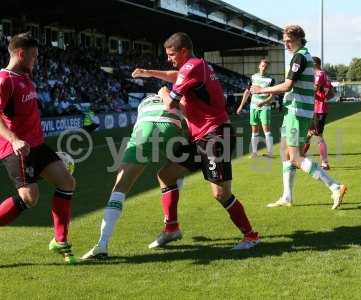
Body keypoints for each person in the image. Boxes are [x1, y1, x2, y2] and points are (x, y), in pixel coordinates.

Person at [132, 32, 260, 250]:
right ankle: (171, 228)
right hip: (202, 136)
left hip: (215, 136)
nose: (169, 58)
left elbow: (170, 104)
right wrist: (149, 73)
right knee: (166, 175)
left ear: (183, 51)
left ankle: (251, 236)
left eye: (172, 54)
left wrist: (162, 92)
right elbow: (175, 75)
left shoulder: (192, 67)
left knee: (220, 194)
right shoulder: (197, 66)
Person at [250, 25, 347, 209]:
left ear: (299, 39)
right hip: (294, 111)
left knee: (295, 157)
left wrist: (261, 90)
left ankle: (335, 187)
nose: (286, 44)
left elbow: (287, 86)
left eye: (289, 40)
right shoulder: (304, 56)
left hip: (297, 111)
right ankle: (287, 196)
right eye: (284, 41)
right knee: (285, 153)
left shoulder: (300, 57)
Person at [0, 33, 77, 264]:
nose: (36, 60)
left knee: (67, 183)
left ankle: (60, 241)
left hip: (38, 145)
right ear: (20, 54)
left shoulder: (27, 77)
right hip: (17, 148)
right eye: (33, 56)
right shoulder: (5, 80)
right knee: (29, 197)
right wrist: (14, 139)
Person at [81, 94, 186, 259]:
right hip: (171, 126)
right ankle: (171, 225)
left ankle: (102, 243)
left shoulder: (143, 104)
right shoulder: (169, 98)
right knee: (172, 173)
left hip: (144, 128)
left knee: (120, 187)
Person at [237, 59, 275, 158]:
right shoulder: (253, 77)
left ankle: (270, 153)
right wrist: (241, 106)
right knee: (254, 131)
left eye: (266, 67)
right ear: (259, 66)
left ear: (268, 68)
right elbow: (247, 92)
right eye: (262, 66)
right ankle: (254, 153)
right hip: (253, 107)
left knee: (267, 130)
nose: (264, 68)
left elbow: (272, 96)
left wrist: (263, 102)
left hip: (265, 108)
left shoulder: (271, 80)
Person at [303, 56, 331, 170]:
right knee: (309, 134)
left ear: (314, 64)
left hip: (319, 109)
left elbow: (314, 88)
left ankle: (325, 163)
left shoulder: (319, 74)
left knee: (319, 136)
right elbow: (329, 90)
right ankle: (300, 157)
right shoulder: (324, 75)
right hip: (315, 108)